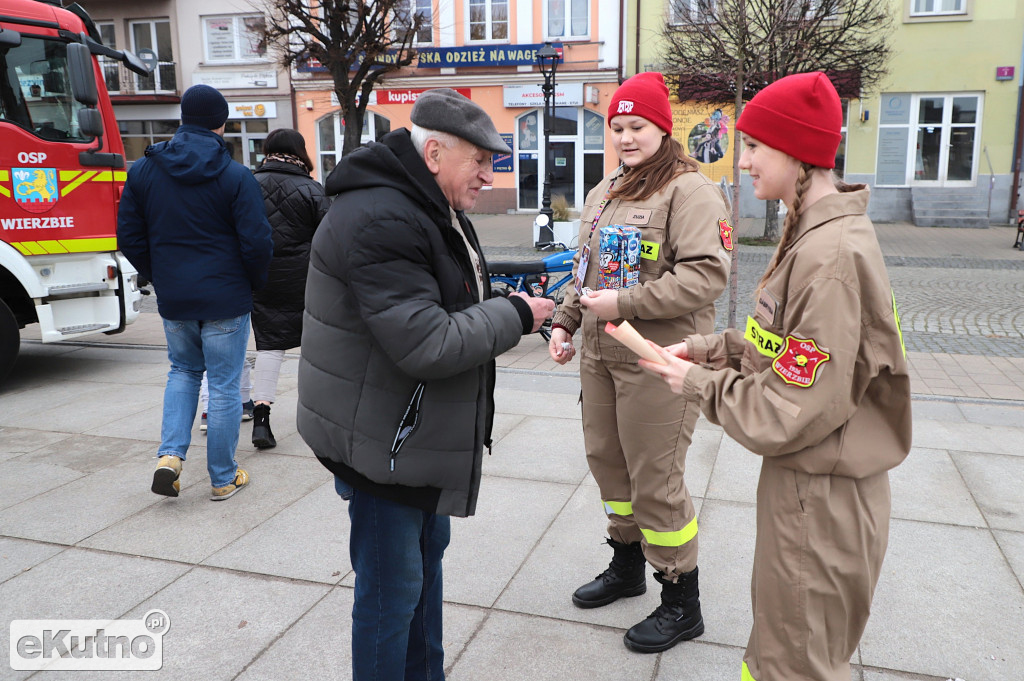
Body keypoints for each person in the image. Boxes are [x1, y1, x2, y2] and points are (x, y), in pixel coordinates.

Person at [638, 72, 912, 681]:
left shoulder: (829, 256)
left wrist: (694, 384)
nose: (745, 160)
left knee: (794, 664)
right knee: (784, 650)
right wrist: (711, 349)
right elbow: (787, 348)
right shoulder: (816, 236)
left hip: (821, 496)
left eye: (755, 145)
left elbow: (791, 408)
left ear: (796, 152)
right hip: (813, 488)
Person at [296, 88, 554, 681]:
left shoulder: (425, 203)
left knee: (420, 578)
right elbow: (426, 341)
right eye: (481, 161)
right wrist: (515, 314)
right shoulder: (384, 215)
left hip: (410, 440)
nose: (491, 175)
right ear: (434, 153)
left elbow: (450, 297)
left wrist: (514, 305)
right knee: (392, 598)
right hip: (386, 447)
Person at [547, 71, 732, 653]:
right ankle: (625, 566)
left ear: (661, 128)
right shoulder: (606, 192)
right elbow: (585, 272)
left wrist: (623, 303)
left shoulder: (691, 191)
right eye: (618, 127)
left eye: (638, 127)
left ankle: (681, 600)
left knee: (656, 480)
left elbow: (707, 277)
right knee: (609, 467)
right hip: (600, 357)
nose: (626, 138)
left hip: (659, 359)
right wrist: (564, 320)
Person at [117, 84, 273, 501]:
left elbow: (129, 237)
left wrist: (160, 275)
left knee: (183, 372)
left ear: (182, 118)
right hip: (226, 297)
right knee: (223, 386)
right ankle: (222, 478)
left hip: (175, 297)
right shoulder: (236, 176)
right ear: (221, 123)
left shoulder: (144, 171)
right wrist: (252, 283)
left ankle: (169, 457)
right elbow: (257, 242)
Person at [248, 128, 330, 449]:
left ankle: (261, 420)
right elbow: (330, 239)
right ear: (300, 151)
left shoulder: (248, 186)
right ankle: (319, 415)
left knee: (270, 348)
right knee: (315, 349)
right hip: (306, 282)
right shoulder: (312, 189)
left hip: (261, 280)